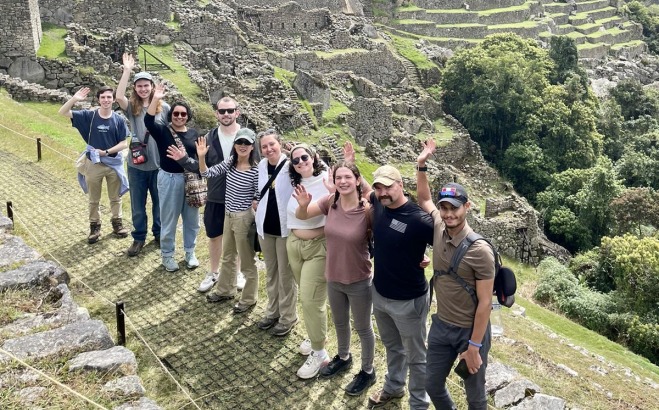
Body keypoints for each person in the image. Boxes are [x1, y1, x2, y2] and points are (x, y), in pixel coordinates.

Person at [416, 139, 495, 410]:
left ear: (467, 207)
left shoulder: (479, 250)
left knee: (475, 397)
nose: (448, 213)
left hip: (470, 332)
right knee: (431, 384)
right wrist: (421, 164)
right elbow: (424, 198)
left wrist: (474, 345)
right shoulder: (438, 224)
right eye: (445, 207)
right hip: (441, 326)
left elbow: (486, 303)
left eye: (454, 208)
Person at [293, 160, 377, 396]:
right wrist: (302, 205)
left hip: (359, 278)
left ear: (358, 180)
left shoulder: (367, 210)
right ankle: (343, 357)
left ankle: (368, 371)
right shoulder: (331, 202)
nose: (343, 181)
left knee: (362, 327)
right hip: (333, 275)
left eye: (348, 177)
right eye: (339, 177)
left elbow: (385, 236)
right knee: (339, 322)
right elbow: (303, 215)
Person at [367, 165, 434, 409]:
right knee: (393, 347)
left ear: (401, 185)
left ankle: (418, 404)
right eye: (379, 187)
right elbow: (364, 191)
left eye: (388, 186)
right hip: (381, 293)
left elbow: (449, 243)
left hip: (409, 301)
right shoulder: (377, 201)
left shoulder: (418, 219)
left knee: (417, 357)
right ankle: (394, 387)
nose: (383, 192)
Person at [191, 128, 260, 313]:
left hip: (244, 218)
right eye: (240, 143)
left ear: (253, 146)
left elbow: (258, 196)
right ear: (235, 145)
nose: (243, 146)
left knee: (246, 261)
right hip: (228, 215)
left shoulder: (256, 169)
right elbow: (207, 173)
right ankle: (225, 290)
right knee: (228, 255)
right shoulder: (230, 162)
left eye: (247, 143)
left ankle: (249, 298)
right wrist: (201, 157)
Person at [59, 86, 130, 244]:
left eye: (109, 97)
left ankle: (117, 224)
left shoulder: (118, 120)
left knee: (115, 197)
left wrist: (105, 152)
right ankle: (94, 226)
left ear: (113, 100)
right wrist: (74, 99)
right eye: (103, 97)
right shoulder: (89, 116)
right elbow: (62, 112)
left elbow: (124, 143)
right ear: (99, 99)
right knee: (93, 199)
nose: (106, 100)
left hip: (113, 163)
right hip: (93, 163)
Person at [116, 54, 170, 256]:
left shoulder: (163, 108)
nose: (143, 89)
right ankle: (139, 238)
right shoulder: (132, 107)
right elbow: (119, 96)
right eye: (139, 86)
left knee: (159, 203)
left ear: (152, 86)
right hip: (137, 165)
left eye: (146, 85)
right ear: (135, 88)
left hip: (158, 164)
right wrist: (127, 71)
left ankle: (158, 233)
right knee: (138, 205)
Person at [285, 143, 330, 378]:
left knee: (311, 300)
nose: (301, 162)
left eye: (305, 157)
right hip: (294, 244)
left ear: (314, 157)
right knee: (306, 295)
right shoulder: (295, 182)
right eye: (295, 160)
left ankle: (320, 353)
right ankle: (315, 336)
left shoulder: (327, 179)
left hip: (318, 247)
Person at [144, 83, 200, 272]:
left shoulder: (194, 133)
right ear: (171, 115)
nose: (179, 117)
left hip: (191, 180)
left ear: (188, 116)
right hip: (170, 179)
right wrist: (156, 98)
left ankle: (190, 252)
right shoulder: (163, 131)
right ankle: (167, 255)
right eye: (176, 114)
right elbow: (148, 121)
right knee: (169, 219)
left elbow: (201, 158)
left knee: (192, 220)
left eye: (183, 114)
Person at [196, 97, 247, 293]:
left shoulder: (247, 136)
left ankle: (239, 272)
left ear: (237, 112)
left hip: (240, 195)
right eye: (222, 111)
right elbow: (203, 168)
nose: (226, 114)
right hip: (216, 195)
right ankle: (214, 272)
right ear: (216, 113)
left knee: (240, 237)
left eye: (230, 110)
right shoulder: (208, 137)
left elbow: (256, 164)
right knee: (215, 235)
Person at [254, 129, 298, 336]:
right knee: (271, 272)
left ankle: (288, 316)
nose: (269, 149)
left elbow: (317, 169)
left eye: (272, 144)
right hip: (265, 227)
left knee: (285, 274)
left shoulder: (291, 165)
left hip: (284, 228)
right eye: (264, 146)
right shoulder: (262, 166)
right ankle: (273, 311)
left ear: (280, 144)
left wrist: (297, 151)